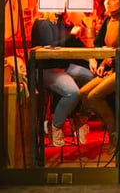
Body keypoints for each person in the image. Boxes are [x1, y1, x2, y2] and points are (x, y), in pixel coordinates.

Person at [31, 11, 95, 147]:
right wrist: (71, 34)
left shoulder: (61, 23)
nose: (63, 4)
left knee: (93, 79)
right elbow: (50, 46)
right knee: (72, 92)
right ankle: (54, 125)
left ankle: (80, 118)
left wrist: (91, 57)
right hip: (44, 69)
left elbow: (75, 43)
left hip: (63, 67)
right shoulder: (42, 23)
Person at [79, 0, 120, 153]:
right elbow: (99, 45)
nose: (107, 2)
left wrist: (107, 61)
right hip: (110, 68)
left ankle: (114, 134)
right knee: (83, 94)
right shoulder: (107, 21)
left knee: (94, 96)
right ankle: (109, 126)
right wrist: (100, 62)